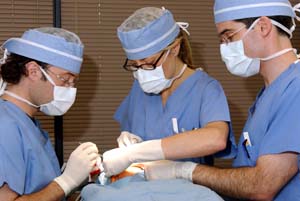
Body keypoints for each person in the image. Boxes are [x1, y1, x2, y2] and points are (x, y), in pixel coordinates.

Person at [143, 0, 300, 200]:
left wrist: (185, 171)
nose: (225, 48)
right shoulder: (269, 93)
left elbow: (262, 186)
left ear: (263, 27)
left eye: (229, 36)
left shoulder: (295, 88)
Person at [102, 6, 237, 177]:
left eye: (148, 62)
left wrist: (138, 152)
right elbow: (131, 131)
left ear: (174, 49)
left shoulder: (206, 89)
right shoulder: (139, 89)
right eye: (135, 65)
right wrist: (130, 141)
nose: (142, 72)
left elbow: (216, 138)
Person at [0, 27, 99, 201]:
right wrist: (66, 181)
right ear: (33, 71)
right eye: (65, 79)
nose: (70, 89)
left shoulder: (27, 122)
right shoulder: (5, 126)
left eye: (73, 82)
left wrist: (77, 179)